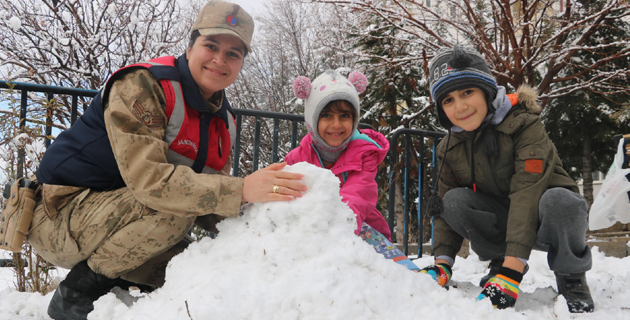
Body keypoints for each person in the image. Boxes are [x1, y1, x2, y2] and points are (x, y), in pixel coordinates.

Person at [26, 1, 306, 319]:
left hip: (117, 221)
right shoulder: (143, 86)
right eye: (211, 45)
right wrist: (241, 189)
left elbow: (210, 202)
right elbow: (152, 185)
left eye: (233, 53)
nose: (219, 59)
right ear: (190, 45)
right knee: (172, 209)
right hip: (58, 216)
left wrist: (266, 223)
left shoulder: (223, 122)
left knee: (197, 267)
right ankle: (76, 294)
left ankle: (120, 282)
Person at [418, 46, 594, 313]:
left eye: (467, 92)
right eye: (448, 100)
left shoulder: (525, 125)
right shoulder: (449, 147)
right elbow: (442, 210)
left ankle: (570, 275)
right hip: (502, 218)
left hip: (544, 216)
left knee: (562, 201)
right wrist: (442, 262)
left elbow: (527, 192)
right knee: (452, 201)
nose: (461, 106)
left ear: (486, 92)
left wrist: (514, 270)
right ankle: (499, 260)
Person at [285, 69, 419, 272]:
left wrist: (338, 231)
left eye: (345, 115)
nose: (336, 124)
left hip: (359, 226)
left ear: (354, 119)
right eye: (326, 115)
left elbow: (358, 194)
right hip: (313, 232)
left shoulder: (363, 153)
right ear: (312, 120)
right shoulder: (297, 157)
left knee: (393, 274)